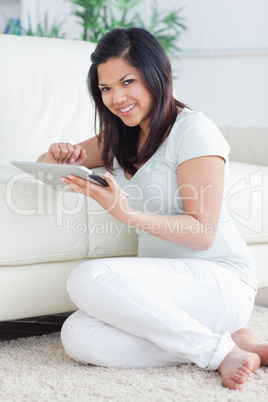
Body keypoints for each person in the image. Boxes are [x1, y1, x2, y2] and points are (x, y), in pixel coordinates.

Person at [38, 27, 268, 390]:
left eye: (127, 81)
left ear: (156, 74)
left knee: (88, 278)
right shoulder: (119, 135)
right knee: (77, 333)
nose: (117, 97)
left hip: (220, 280)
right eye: (106, 88)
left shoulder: (193, 130)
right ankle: (228, 343)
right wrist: (52, 157)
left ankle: (217, 352)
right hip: (168, 291)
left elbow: (203, 232)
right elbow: (52, 170)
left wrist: (126, 214)